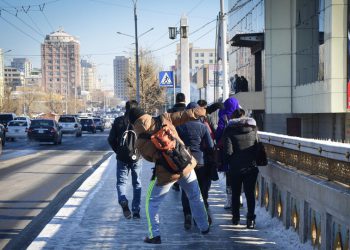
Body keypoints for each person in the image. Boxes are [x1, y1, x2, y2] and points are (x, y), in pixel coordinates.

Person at [128, 102, 223, 244]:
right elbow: (187, 114)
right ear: (145, 114)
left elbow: (149, 158)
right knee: (195, 196)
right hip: (185, 165)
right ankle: (204, 227)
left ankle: (155, 235)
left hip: (167, 174)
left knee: (152, 202)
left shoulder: (140, 141)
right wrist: (207, 110)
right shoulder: (164, 118)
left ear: (133, 123)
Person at [176, 102, 214, 230]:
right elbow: (210, 146)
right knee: (200, 192)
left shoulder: (180, 127)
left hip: (185, 162)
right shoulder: (203, 127)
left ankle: (187, 214)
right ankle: (199, 218)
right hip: (200, 163)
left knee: (186, 190)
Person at [222, 107, 259, 229]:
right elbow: (257, 146)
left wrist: (227, 163)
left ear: (233, 118)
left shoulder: (229, 130)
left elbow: (227, 152)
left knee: (236, 193)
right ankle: (250, 220)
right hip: (250, 167)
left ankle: (236, 218)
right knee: (250, 194)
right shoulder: (253, 129)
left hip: (235, 168)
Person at [107, 100, 142, 219]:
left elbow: (111, 139)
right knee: (137, 183)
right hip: (137, 157)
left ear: (125, 108)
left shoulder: (118, 121)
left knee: (121, 182)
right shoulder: (140, 122)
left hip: (122, 157)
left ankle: (123, 200)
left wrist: (118, 151)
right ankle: (136, 210)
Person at [215, 96, 240, 210]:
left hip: (227, 151)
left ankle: (230, 200)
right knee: (240, 176)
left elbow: (218, 133)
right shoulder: (241, 117)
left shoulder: (223, 117)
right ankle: (239, 198)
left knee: (229, 176)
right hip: (241, 151)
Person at [167, 92, 187, 192]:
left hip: (173, 140)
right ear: (185, 99)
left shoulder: (170, 112)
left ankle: (176, 183)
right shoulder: (188, 111)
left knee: (175, 161)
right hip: (186, 140)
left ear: (176, 100)